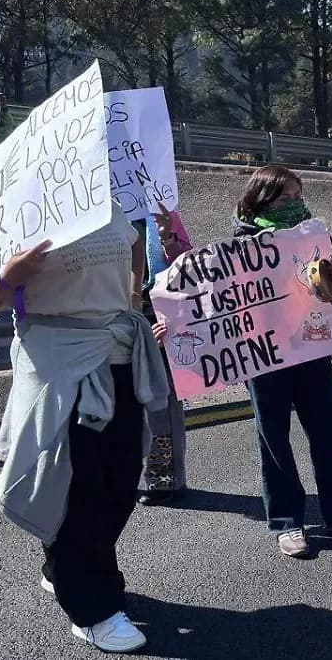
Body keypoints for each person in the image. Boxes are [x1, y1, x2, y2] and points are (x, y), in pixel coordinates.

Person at [0, 204, 169, 653]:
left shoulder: (108, 205)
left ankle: (63, 567)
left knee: (119, 483)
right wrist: (11, 276)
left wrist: (134, 296)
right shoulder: (16, 216)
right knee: (79, 487)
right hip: (62, 365)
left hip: (118, 358)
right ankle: (93, 609)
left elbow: (134, 246)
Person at [232, 164, 332, 558]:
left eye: (299, 197)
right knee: (274, 441)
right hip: (267, 360)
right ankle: (287, 524)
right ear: (262, 199)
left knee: (330, 435)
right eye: (286, 198)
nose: (296, 205)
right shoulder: (242, 244)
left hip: (312, 352)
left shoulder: (316, 236)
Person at [135, 203, 194, 506]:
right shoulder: (93, 210)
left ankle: (164, 478)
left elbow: (189, 265)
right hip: (109, 318)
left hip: (156, 317)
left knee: (162, 406)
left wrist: (167, 236)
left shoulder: (160, 213)